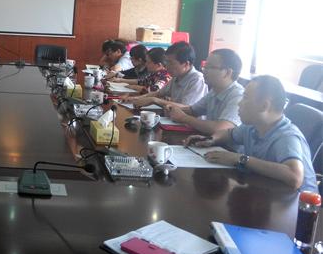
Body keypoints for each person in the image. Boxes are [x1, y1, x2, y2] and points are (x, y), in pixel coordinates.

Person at [185, 75, 318, 193]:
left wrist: (240, 159)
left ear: (264, 106)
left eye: (245, 97)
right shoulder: (252, 127)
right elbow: (228, 133)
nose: (239, 103)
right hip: (268, 194)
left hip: (297, 207)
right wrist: (211, 139)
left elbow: (294, 177)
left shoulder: (287, 137)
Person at [165, 48, 245, 135]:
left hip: (223, 144)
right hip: (208, 141)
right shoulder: (214, 91)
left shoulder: (238, 96)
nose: (204, 70)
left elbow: (221, 129)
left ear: (227, 72)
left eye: (209, 67)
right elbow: (193, 110)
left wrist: (184, 118)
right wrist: (173, 109)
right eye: (204, 66)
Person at [126, 41, 207, 107]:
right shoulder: (176, 76)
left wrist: (154, 100)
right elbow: (158, 93)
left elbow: (186, 108)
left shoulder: (197, 80)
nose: (167, 66)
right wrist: (136, 99)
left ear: (186, 64)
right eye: (166, 62)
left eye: (170, 62)